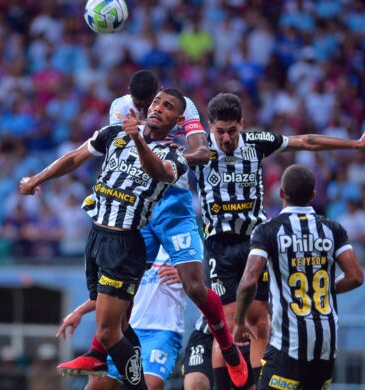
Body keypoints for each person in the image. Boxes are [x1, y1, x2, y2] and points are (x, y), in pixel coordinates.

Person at [59, 71, 249, 388]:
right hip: (140, 208)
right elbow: (113, 154)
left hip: (173, 205)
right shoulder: (120, 109)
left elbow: (201, 152)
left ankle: (230, 351)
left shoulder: (183, 107)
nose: (151, 108)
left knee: (194, 285)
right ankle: (97, 351)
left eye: (157, 103)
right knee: (125, 279)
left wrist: (173, 159)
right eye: (145, 104)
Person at [188, 92, 365, 388]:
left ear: (241, 124)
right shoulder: (199, 151)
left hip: (257, 243)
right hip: (220, 248)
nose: (226, 138)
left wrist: (354, 144)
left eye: (232, 130)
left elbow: (306, 141)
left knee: (261, 325)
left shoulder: (256, 143)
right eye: (220, 132)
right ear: (209, 127)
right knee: (227, 328)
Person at [20, 88, 190, 389]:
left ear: (177, 121)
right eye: (156, 102)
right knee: (122, 325)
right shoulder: (115, 133)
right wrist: (37, 179)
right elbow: (75, 158)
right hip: (96, 238)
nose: (158, 108)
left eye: (168, 107)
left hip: (125, 244)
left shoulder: (175, 156)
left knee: (109, 332)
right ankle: (109, 364)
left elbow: (160, 174)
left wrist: (138, 139)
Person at [233, 164, 365, 389]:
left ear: (281, 193)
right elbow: (356, 277)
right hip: (326, 344)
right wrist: (326, 289)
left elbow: (249, 281)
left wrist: (238, 322)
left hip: (288, 343)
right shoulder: (333, 229)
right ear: (313, 195)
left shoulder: (268, 231)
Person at [57, 247, 186, 390]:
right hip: (125, 330)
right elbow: (112, 292)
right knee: (97, 385)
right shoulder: (133, 246)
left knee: (151, 385)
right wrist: (78, 312)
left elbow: (204, 282)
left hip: (162, 332)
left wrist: (187, 275)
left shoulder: (179, 241)